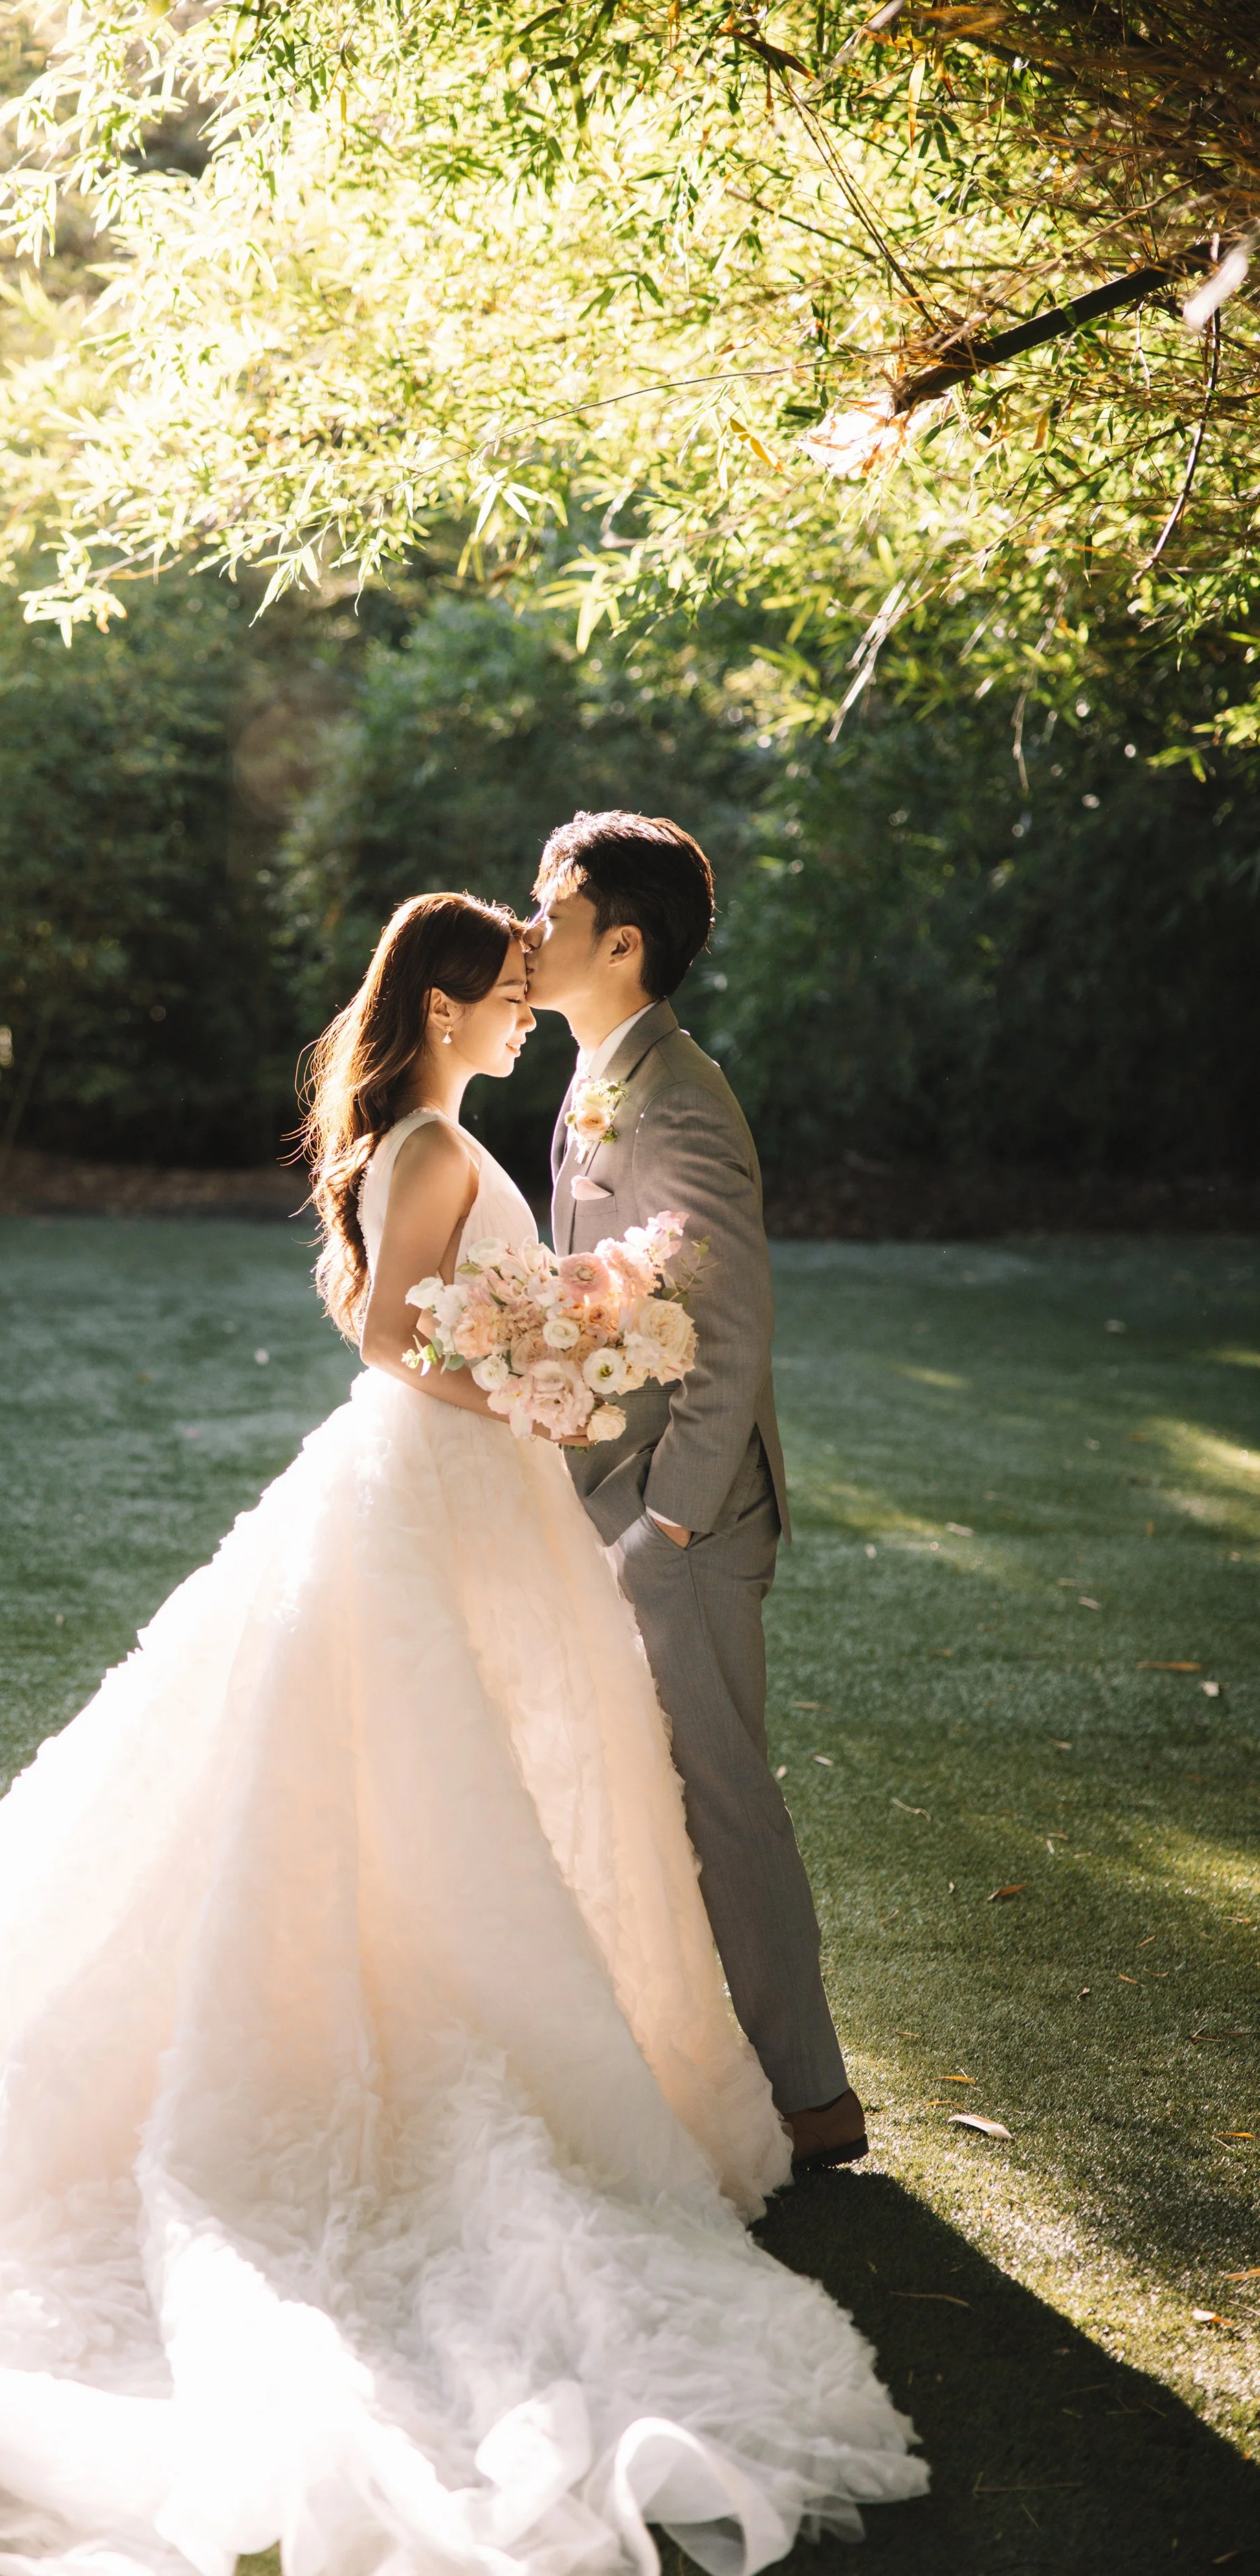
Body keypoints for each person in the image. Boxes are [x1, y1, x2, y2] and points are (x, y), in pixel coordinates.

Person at [0, 893, 922, 2576]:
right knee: (399, 1776)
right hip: (424, 1493)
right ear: (435, 1001)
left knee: (494, 1769)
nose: (519, 1012)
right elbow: (384, 1331)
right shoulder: (423, 1144)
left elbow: (443, 1318)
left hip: (471, 1502)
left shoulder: (444, 1129)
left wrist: (553, 1342)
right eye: (497, 992)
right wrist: (532, 1381)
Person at [523, 812, 865, 2173]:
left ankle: (810, 2096)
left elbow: (728, 1328)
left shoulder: (674, 1094)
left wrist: (667, 1519)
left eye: (547, 912)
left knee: (720, 1793)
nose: (523, 930)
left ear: (620, 942)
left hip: (687, 1515)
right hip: (610, 1489)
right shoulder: (598, 1068)